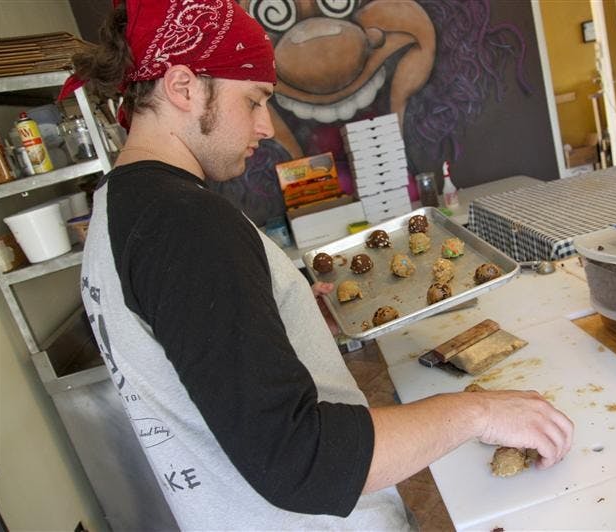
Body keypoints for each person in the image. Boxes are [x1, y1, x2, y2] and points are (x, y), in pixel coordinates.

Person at [64, 1, 574, 529]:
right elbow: (301, 461)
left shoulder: (115, 209)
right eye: (254, 100)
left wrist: (281, 325)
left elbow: (196, 358)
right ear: (184, 86)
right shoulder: (185, 222)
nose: (265, 126)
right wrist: (477, 411)